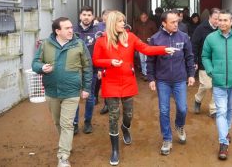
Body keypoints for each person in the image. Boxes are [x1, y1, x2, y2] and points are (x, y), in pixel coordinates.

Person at [92, 11, 176, 166]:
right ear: (112, 23)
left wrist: (163, 49)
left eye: (123, 21)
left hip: (128, 82)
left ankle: (125, 128)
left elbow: (145, 48)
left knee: (128, 115)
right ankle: (115, 150)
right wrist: (110, 62)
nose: (123, 24)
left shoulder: (130, 37)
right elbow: (96, 60)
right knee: (113, 117)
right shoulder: (102, 41)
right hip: (110, 82)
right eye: (120, 22)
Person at [32, 17, 92, 167]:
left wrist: (86, 88)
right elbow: (35, 63)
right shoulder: (46, 44)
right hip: (51, 91)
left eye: (71, 27)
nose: (71, 30)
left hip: (71, 91)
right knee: (57, 122)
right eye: (67, 28)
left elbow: (87, 67)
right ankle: (66, 143)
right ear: (57, 31)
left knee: (67, 124)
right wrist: (41, 67)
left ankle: (63, 156)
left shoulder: (79, 44)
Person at [202, 10, 232, 160]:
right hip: (218, 82)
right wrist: (211, 71)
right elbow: (205, 56)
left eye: (225, 20)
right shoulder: (210, 38)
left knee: (230, 109)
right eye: (220, 20)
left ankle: (226, 131)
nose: (222, 23)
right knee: (221, 111)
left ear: (231, 22)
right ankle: (223, 143)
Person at [147, 9, 195, 156]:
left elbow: (189, 56)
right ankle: (167, 138)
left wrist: (191, 74)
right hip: (163, 81)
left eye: (177, 21)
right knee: (164, 110)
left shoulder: (184, 36)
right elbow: (150, 60)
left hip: (180, 79)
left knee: (182, 108)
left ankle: (179, 126)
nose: (176, 24)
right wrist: (151, 78)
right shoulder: (155, 39)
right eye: (172, 22)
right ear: (163, 23)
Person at [73, 6, 99, 135]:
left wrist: (99, 68)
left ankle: (88, 121)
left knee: (90, 97)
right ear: (80, 16)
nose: (86, 17)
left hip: (91, 70)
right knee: (74, 98)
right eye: (84, 14)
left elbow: (101, 51)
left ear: (93, 17)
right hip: (74, 70)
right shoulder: (72, 31)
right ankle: (75, 123)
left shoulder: (97, 32)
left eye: (89, 15)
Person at [191, 8, 220, 118]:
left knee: (216, 86)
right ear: (210, 17)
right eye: (215, 19)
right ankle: (197, 99)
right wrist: (194, 61)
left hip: (218, 62)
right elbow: (194, 45)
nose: (217, 21)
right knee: (207, 85)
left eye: (219, 19)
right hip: (204, 61)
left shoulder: (221, 29)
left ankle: (213, 110)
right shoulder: (201, 28)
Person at [95, 9, 113, 115]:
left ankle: (107, 104)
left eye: (109, 15)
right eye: (105, 15)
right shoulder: (97, 27)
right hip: (99, 56)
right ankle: (95, 96)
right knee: (97, 80)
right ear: (102, 16)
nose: (106, 17)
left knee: (106, 82)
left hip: (109, 56)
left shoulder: (114, 26)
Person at [133, 12, 158, 81]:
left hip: (149, 45)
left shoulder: (152, 23)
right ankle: (145, 73)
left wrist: (151, 38)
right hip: (140, 45)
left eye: (144, 17)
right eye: (141, 18)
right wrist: (137, 40)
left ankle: (149, 73)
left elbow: (156, 33)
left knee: (148, 59)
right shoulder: (137, 24)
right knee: (142, 60)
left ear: (147, 17)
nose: (143, 19)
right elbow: (133, 34)